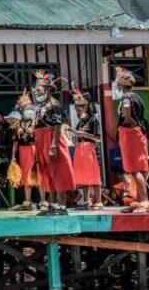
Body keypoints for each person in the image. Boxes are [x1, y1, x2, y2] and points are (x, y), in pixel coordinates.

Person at [32, 70, 76, 215]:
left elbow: (57, 125)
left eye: (38, 89)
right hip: (40, 139)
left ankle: (61, 204)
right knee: (46, 171)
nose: (36, 92)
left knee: (58, 170)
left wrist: (53, 145)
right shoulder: (40, 106)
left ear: (48, 90)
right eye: (35, 89)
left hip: (51, 138)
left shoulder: (54, 104)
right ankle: (53, 202)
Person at [113, 66, 149, 213]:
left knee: (135, 169)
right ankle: (138, 200)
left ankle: (145, 201)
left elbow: (127, 108)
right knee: (135, 169)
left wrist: (127, 120)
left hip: (131, 133)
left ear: (122, 85)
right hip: (136, 133)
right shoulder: (137, 96)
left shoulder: (126, 96)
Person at [10, 89, 45, 211]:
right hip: (22, 151)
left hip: (33, 150)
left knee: (38, 175)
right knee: (26, 177)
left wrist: (38, 152)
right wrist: (13, 155)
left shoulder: (36, 123)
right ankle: (28, 201)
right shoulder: (17, 125)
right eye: (25, 107)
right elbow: (15, 141)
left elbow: (39, 140)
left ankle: (43, 201)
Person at [71, 85, 103, 210]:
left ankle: (98, 201)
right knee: (83, 176)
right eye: (76, 109)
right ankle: (86, 201)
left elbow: (98, 138)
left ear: (85, 107)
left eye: (79, 109)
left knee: (93, 175)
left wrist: (83, 134)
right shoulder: (81, 122)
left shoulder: (93, 120)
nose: (78, 112)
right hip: (81, 150)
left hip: (90, 149)